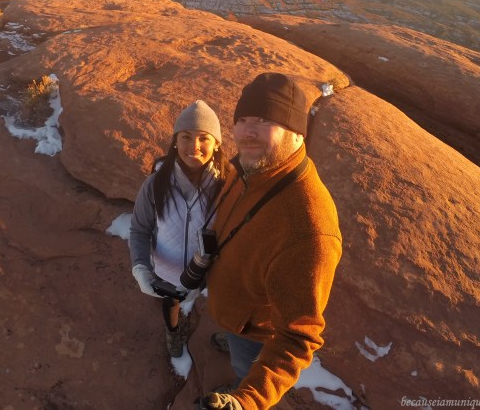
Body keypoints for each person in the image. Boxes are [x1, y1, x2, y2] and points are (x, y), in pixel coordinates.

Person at [198, 73, 343, 410]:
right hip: (237, 308)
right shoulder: (253, 167)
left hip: (258, 332)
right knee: (236, 341)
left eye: (264, 121)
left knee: (244, 366)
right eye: (243, 120)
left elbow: (297, 338)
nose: (247, 132)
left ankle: (240, 377)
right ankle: (233, 336)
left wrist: (247, 401)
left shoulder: (307, 229)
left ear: (296, 133)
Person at [129, 100, 228, 358]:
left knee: (223, 305)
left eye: (203, 138)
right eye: (185, 137)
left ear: (216, 143)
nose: (193, 146)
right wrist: (141, 268)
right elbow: (139, 230)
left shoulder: (227, 186)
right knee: (170, 304)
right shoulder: (156, 184)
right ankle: (173, 333)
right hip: (167, 271)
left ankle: (233, 338)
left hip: (212, 273)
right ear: (175, 141)